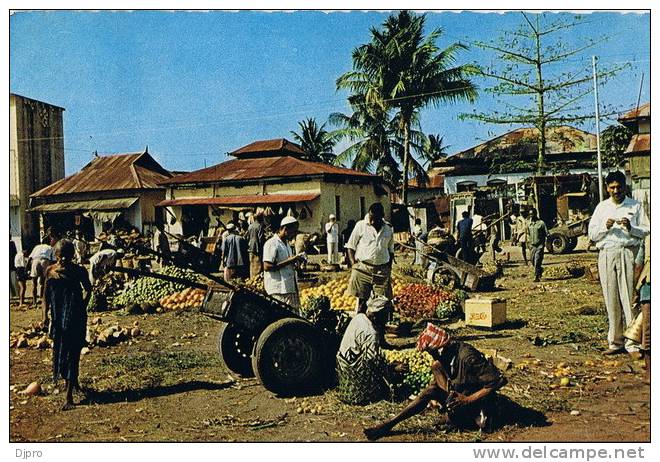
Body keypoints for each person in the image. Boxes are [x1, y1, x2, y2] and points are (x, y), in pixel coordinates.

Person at [363, 323, 507, 440]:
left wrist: (467, 399)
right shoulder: (444, 357)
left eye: (432, 352)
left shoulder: (468, 358)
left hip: (476, 403)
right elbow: (439, 384)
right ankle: (388, 425)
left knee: (480, 421)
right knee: (430, 387)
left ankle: (457, 419)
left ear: (441, 349)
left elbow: (498, 381)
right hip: (459, 396)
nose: (431, 356)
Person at [588, 171, 649, 356]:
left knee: (629, 297)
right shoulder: (601, 207)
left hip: (628, 253)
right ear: (607, 188)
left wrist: (631, 228)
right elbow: (592, 234)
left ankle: (632, 343)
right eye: (612, 187)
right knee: (611, 298)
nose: (616, 190)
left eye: (619, 187)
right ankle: (615, 342)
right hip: (607, 254)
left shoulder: (635, 205)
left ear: (625, 187)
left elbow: (647, 230)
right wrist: (604, 227)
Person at [42, 240, 92, 410]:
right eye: (59, 255)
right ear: (55, 255)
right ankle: (71, 382)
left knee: (72, 354)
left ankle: (69, 396)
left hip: (75, 318)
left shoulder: (78, 271)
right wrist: (45, 317)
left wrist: (81, 306)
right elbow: (45, 297)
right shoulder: (50, 271)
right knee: (60, 354)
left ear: (72, 256)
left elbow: (88, 289)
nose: (62, 258)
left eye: (66, 255)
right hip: (58, 319)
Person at [346, 203, 395, 314]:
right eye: (370, 218)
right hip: (363, 269)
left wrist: (388, 268)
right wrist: (354, 265)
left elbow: (391, 251)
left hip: (381, 271)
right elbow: (350, 247)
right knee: (361, 304)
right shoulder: (361, 225)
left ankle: (378, 328)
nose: (372, 221)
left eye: (375, 219)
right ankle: (361, 324)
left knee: (382, 305)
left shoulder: (388, 229)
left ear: (382, 216)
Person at [263, 216, 305, 313]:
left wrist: (296, 264)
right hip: (278, 289)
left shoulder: (286, 245)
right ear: (285, 229)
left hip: (289, 287)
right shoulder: (272, 243)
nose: (294, 235)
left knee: (293, 316)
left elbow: (286, 263)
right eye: (293, 232)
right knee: (282, 316)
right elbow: (267, 266)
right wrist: (290, 260)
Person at [29, 236, 55, 308]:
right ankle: (43, 300)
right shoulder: (50, 248)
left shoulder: (37, 247)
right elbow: (53, 260)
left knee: (34, 283)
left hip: (35, 261)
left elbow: (30, 258)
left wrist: (27, 268)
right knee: (44, 283)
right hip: (45, 261)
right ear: (48, 241)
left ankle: (34, 302)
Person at [527, 208, 547, 282]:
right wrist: (528, 244)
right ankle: (540, 269)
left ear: (536, 214)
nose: (531, 216)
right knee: (532, 261)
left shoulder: (541, 223)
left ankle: (536, 277)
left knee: (537, 260)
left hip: (539, 245)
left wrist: (543, 243)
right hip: (532, 246)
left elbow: (546, 233)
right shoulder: (529, 224)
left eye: (533, 214)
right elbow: (528, 234)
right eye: (530, 214)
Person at [246, 212, 265, 279]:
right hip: (257, 247)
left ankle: (252, 278)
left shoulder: (250, 226)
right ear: (261, 218)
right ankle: (257, 278)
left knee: (251, 263)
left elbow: (247, 237)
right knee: (258, 263)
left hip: (250, 246)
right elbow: (260, 239)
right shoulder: (259, 226)